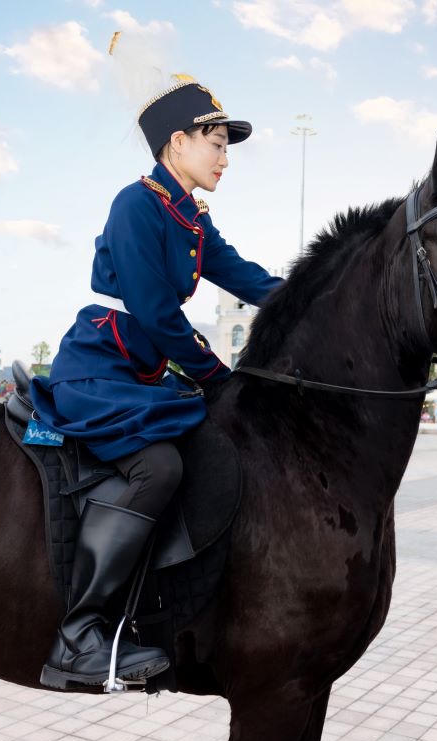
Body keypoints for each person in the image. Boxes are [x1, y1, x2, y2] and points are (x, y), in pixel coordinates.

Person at [29, 79, 283, 690]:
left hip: (139, 373)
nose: (225, 159)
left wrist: (315, 297)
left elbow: (247, 277)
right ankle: (78, 636)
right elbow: (155, 312)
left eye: (227, 147)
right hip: (99, 369)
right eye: (216, 143)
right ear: (177, 142)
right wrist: (217, 376)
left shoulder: (190, 216)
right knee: (158, 468)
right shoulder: (136, 205)